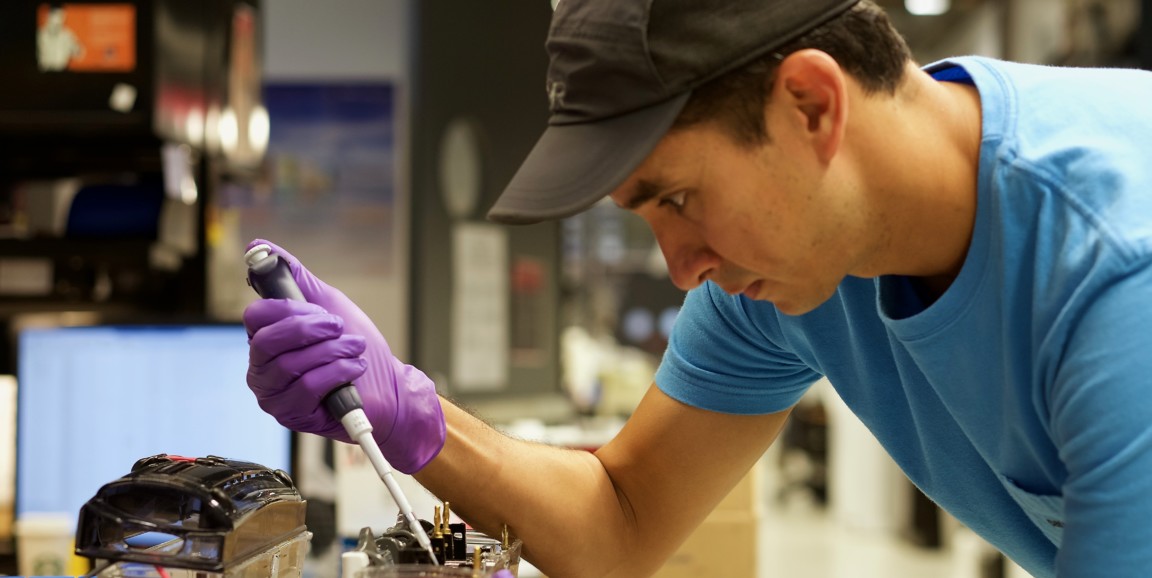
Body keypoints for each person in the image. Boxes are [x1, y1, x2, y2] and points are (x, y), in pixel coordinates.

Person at [243, 0, 1152, 576]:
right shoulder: (783, 277)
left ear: (811, 107)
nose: (682, 268)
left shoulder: (1118, 274)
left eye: (679, 198)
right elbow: (622, 519)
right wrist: (415, 416)